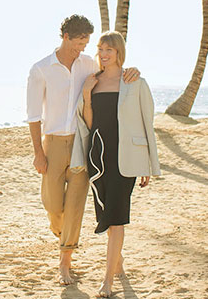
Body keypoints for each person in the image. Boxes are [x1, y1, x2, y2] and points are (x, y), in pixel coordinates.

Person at [27, 16, 140, 286]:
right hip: (52, 143)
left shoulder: (88, 64)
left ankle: (65, 263)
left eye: (86, 43)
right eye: (79, 42)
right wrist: (38, 153)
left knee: (75, 205)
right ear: (66, 37)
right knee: (53, 205)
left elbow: (113, 71)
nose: (83, 48)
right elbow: (33, 116)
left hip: (82, 144)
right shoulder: (41, 69)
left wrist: (132, 71)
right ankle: (63, 234)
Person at [73, 30, 161, 297]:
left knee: (116, 219)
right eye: (101, 49)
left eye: (109, 49)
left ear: (119, 52)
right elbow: (88, 123)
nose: (104, 54)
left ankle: (107, 282)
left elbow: (148, 123)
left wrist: (147, 165)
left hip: (127, 159)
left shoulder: (134, 82)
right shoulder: (92, 81)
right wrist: (87, 95)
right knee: (106, 216)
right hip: (98, 156)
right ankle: (118, 264)